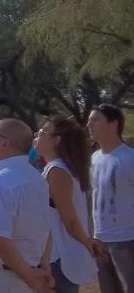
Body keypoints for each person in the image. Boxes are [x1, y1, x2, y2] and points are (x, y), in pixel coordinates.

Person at [0, 118, 54, 293]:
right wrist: (44, 267)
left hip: (1, 279)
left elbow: (0, 240)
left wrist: (32, 279)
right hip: (26, 274)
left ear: (5, 143)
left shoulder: (0, 181)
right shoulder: (37, 179)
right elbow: (46, 231)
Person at [34, 115, 103, 292]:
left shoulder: (57, 171)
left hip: (60, 257)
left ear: (55, 140)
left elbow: (70, 220)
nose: (37, 135)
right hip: (58, 255)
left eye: (42, 132)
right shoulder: (59, 168)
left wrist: (88, 243)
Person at [87, 104, 134, 293]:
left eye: (95, 120)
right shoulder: (94, 158)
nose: (89, 125)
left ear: (113, 124)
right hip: (100, 241)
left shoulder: (129, 158)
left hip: (127, 240)